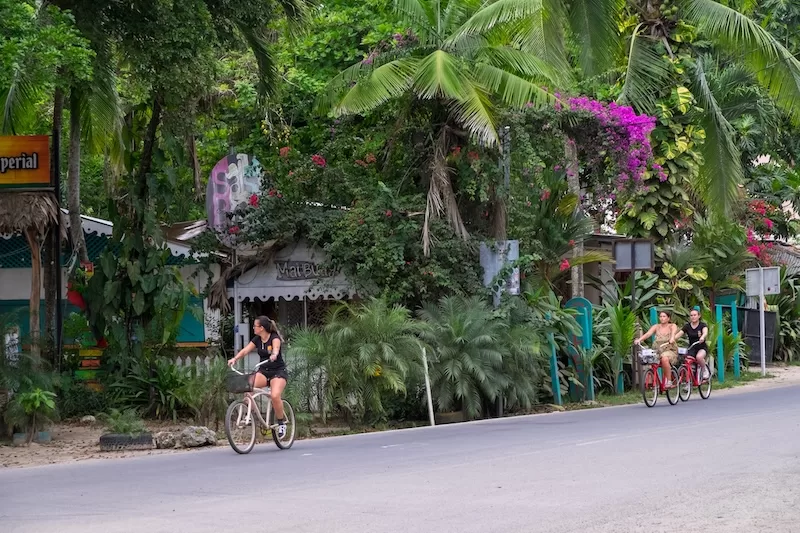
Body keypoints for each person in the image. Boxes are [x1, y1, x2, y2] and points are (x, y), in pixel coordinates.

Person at [228, 316, 288, 438]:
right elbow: (245, 351)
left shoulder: (274, 338)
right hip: (263, 371)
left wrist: (274, 355)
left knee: (275, 395)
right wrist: (235, 359)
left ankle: (281, 423)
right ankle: (249, 414)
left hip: (278, 372)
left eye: (255, 326)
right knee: (247, 386)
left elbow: (276, 349)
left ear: (261, 328)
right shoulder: (257, 339)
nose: (253, 328)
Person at [634, 310, 679, 388]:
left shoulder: (672, 326)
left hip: (669, 349)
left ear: (668, 318)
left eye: (664, 316)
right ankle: (655, 382)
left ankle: (669, 381)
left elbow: (673, 332)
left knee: (664, 359)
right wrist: (639, 340)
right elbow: (648, 334)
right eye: (660, 316)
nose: (662, 318)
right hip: (658, 350)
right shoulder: (656, 326)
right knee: (648, 358)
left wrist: (672, 338)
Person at [673, 306, 710, 380]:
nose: (693, 317)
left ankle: (704, 369)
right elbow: (679, 334)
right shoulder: (687, 326)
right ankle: (688, 381)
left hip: (701, 347)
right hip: (691, 348)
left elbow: (705, 332)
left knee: (699, 357)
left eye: (695, 315)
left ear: (699, 316)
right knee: (686, 361)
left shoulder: (702, 325)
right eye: (691, 315)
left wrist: (702, 337)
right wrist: (672, 339)